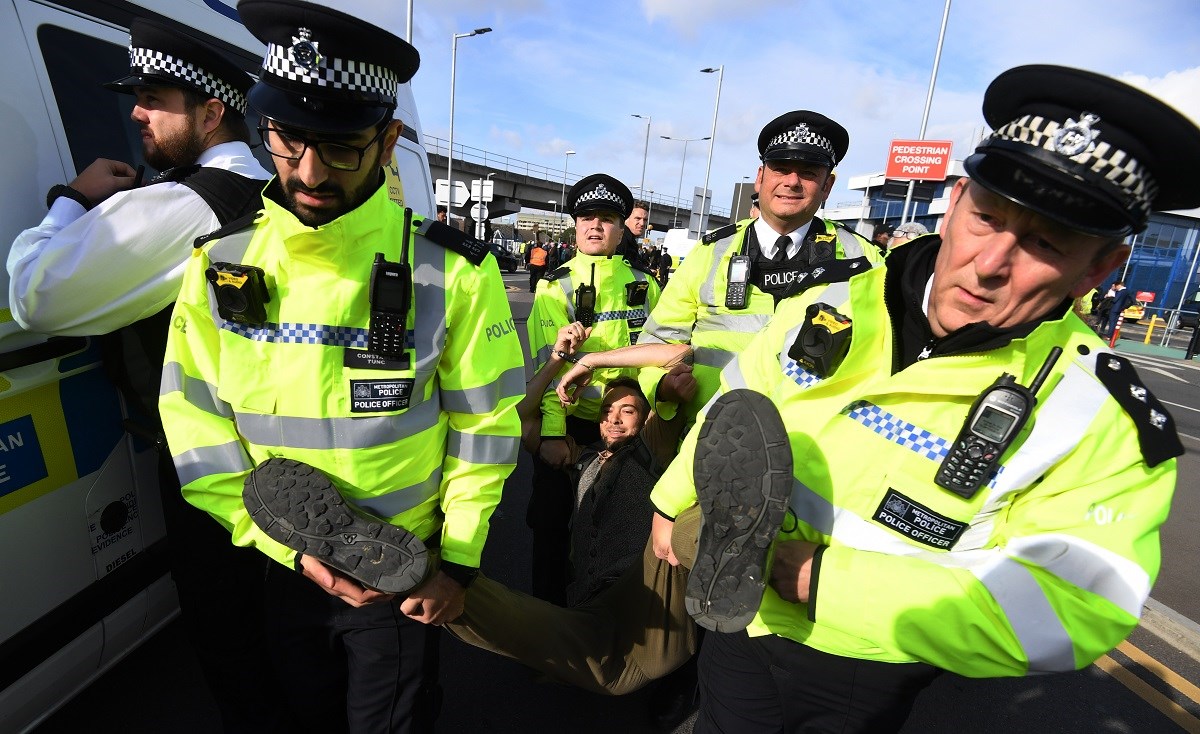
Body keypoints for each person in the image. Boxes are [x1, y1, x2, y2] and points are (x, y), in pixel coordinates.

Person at [650, 64, 1194, 733]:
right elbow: (736, 396)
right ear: (957, 199)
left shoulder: (1105, 414)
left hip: (866, 665)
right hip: (741, 622)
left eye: (1045, 243)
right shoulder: (832, 300)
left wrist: (821, 583)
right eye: (986, 218)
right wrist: (672, 499)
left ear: (1101, 267)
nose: (990, 263)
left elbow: (1074, 604)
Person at [158, 2, 523, 731]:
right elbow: (194, 420)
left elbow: (487, 426)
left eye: (341, 146)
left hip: (403, 576)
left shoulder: (451, 272)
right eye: (288, 140)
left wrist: (457, 564)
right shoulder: (219, 264)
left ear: (388, 141)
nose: (310, 171)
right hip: (284, 566)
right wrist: (274, 545)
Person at [8, 19, 277, 732]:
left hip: (210, 474)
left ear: (212, 113)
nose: (135, 112)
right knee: (285, 647)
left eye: (154, 97)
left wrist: (69, 197)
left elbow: (37, 296)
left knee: (232, 643)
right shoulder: (277, 193)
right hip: (281, 455)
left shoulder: (180, 205)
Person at [563, 111, 883, 430]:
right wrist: (662, 387)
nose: (792, 182)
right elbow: (661, 338)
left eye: (809, 172)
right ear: (760, 177)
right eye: (781, 169)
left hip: (807, 444)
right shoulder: (710, 252)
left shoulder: (864, 259)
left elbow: (879, 361)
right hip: (705, 435)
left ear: (828, 185)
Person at [526, 173, 662, 605]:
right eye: (586, 217)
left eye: (606, 218)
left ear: (623, 228)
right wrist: (551, 434)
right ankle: (549, 626)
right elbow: (547, 367)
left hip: (625, 430)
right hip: (569, 430)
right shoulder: (554, 285)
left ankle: (603, 625)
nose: (595, 226)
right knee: (551, 527)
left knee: (619, 533)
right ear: (575, 224)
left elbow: (658, 354)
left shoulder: (645, 283)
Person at [620, 199, 652, 268]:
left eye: (645, 220)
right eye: (638, 218)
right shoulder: (620, 240)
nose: (642, 223)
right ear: (627, 218)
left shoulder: (630, 241)